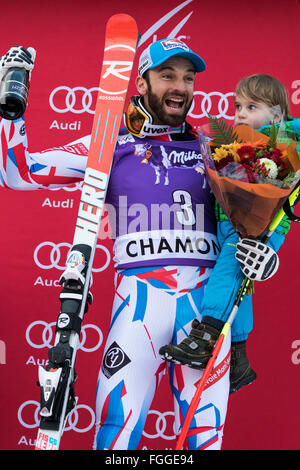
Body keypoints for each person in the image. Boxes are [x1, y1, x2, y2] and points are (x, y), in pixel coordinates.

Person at [0, 44, 282, 450]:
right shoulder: (110, 143)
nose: (180, 86)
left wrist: (266, 256)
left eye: (188, 78)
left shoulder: (218, 149)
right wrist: (12, 101)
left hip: (206, 314)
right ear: (142, 82)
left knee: (206, 437)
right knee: (118, 427)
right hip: (139, 304)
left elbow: (266, 213)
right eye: (168, 75)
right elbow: (17, 171)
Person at [160, 74, 300, 394]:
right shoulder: (237, 141)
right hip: (230, 222)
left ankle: (206, 336)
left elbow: (277, 192)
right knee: (240, 284)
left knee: (227, 273)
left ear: (277, 115)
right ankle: (238, 360)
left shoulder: (283, 144)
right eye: (238, 105)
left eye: (251, 106)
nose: (239, 113)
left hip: (260, 226)